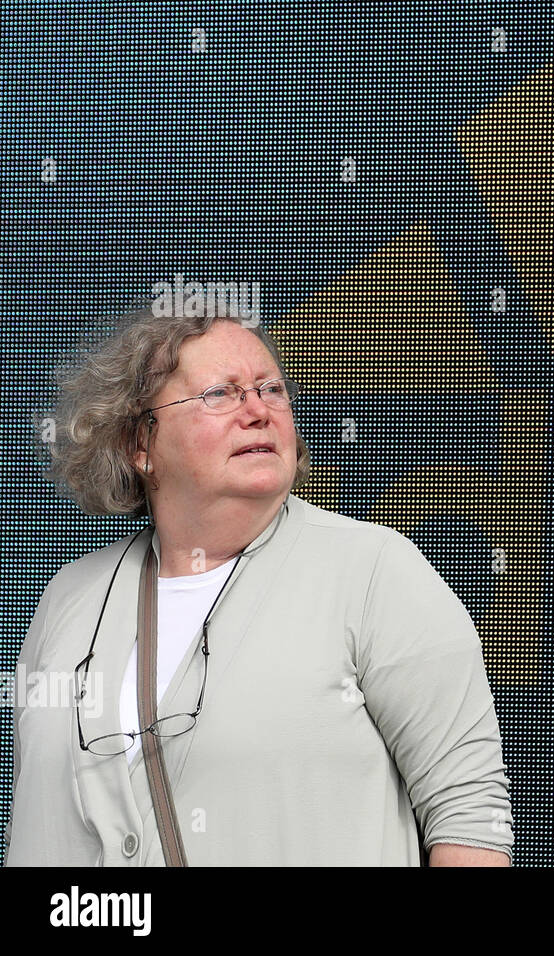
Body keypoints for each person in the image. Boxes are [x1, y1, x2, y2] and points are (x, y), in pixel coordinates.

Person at [3, 302, 514, 866]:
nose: (258, 411)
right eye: (221, 394)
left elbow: (468, 816)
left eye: (270, 390)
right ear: (139, 445)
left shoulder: (374, 570)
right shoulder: (69, 597)